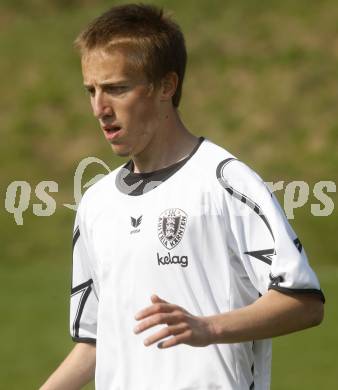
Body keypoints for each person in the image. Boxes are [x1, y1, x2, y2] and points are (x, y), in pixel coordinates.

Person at [40, 3, 324, 390]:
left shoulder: (226, 182)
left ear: (166, 86)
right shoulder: (95, 204)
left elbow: (304, 302)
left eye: (117, 89)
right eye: (91, 90)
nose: (99, 109)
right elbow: (96, 342)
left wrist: (208, 327)